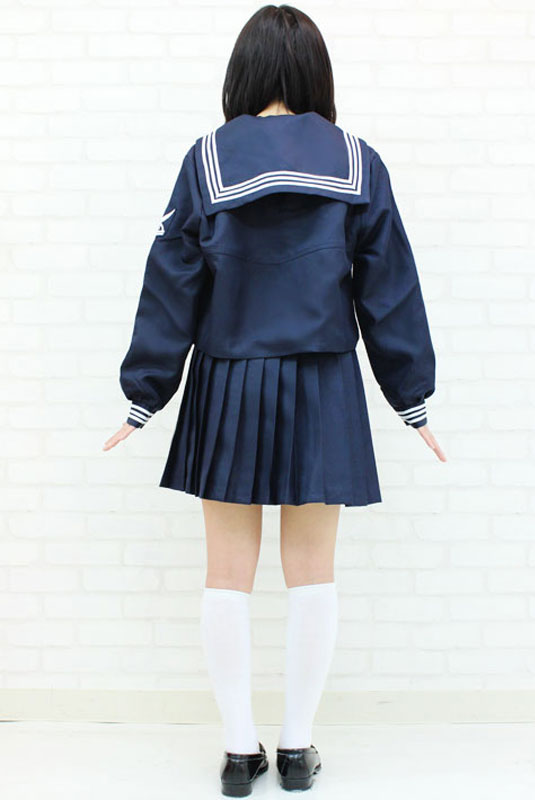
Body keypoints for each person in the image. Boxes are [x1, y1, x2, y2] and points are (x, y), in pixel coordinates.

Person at [103, 4, 446, 795]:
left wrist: (143, 395)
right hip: (323, 382)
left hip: (228, 377)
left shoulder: (206, 160)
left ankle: (237, 752)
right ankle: (295, 749)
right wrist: (412, 398)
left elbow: (172, 281)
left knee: (226, 574)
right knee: (312, 573)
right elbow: (389, 288)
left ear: (243, 72)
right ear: (316, 74)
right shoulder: (357, 161)